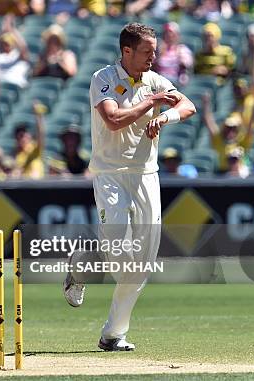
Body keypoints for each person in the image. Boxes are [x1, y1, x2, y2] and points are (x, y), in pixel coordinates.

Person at [63, 23, 196, 351]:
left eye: (155, 50)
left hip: (147, 176)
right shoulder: (104, 78)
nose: (154, 56)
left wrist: (165, 117)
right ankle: (80, 268)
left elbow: (187, 105)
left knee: (142, 263)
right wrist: (151, 102)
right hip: (110, 174)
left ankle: (112, 335)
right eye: (147, 51)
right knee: (119, 254)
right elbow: (113, 119)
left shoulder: (156, 80)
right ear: (126, 51)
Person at [0, 15, 30, 88]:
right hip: (1, 86)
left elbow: (23, 48)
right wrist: (2, 31)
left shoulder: (17, 55)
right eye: (4, 43)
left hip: (16, 86)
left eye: (8, 43)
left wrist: (12, 29)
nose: (6, 46)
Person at [11, 102, 46, 178]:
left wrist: (38, 116)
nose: (23, 138)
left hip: (38, 185)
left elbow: (41, 133)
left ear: (29, 136)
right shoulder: (17, 155)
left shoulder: (35, 149)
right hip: (25, 187)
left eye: (24, 135)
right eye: (20, 136)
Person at [153, 22, 193, 87]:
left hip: (176, 83)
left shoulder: (182, 49)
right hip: (159, 82)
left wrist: (179, 56)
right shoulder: (158, 49)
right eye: (166, 33)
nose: (169, 35)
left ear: (177, 35)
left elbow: (187, 66)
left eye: (171, 33)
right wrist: (159, 54)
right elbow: (152, 66)